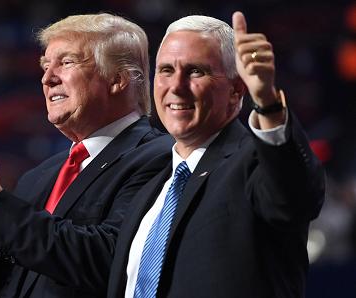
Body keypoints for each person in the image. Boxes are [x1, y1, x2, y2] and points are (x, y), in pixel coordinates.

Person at [0, 13, 173, 297]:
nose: (47, 78)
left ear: (117, 79)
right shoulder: (39, 177)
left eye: (66, 62)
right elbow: (1, 288)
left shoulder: (160, 159)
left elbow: (109, 261)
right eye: (45, 65)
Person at [107, 11, 325, 298]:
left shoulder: (254, 164)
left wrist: (268, 103)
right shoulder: (150, 189)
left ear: (236, 90)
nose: (176, 86)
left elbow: (294, 199)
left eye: (195, 71)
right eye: (166, 70)